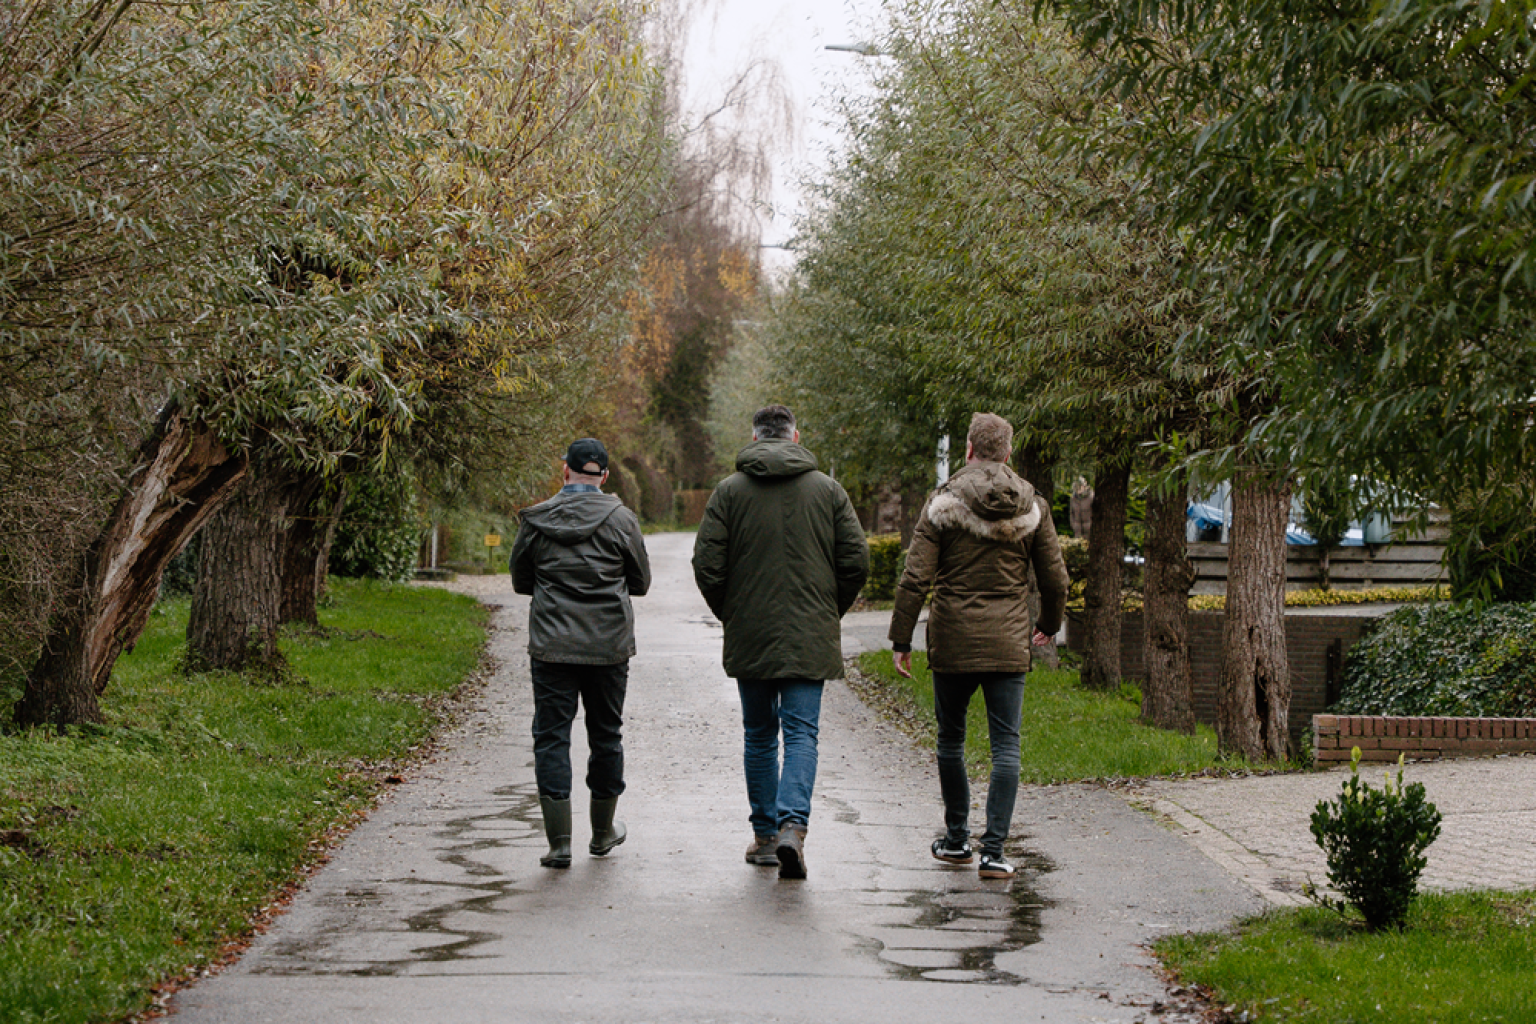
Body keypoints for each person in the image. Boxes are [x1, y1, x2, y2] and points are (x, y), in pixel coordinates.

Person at [888, 413, 1069, 880]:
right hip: (1009, 640)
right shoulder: (1033, 506)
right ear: (1009, 452)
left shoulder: (942, 502)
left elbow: (915, 579)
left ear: (968, 449)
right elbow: (1054, 579)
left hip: (952, 638)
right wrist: (1049, 624)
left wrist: (901, 639)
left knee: (951, 740)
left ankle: (954, 841)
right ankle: (994, 852)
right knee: (1005, 745)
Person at [692, 405, 868, 879]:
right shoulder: (828, 491)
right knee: (802, 732)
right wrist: (829, 610)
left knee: (759, 735)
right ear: (795, 439)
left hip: (752, 634)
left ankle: (767, 837)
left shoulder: (729, 492)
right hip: (810, 632)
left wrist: (732, 612)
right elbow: (856, 561)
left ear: (753, 438)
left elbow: (706, 564)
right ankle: (795, 825)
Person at [511, 438, 651, 869]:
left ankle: (559, 843)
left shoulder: (536, 520)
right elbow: (640, 582)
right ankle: (603, 832)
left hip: (553, 646)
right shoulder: (622, 520)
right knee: (606, 734)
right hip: (608, 646)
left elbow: (521, 580)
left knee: (551, 736)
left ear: (564, 470)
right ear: (604, 476)